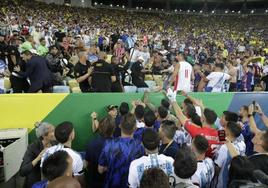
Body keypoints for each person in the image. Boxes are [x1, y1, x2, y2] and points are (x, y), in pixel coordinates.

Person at [167, 89, 221, 158]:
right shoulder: (221, 134)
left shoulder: (197, 131)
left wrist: (173, 100)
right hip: (210, 163)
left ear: (202, 119)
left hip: (197, 162)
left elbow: (180, 115)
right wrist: (201, 106)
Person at [98, 113, 144, 188]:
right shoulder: (140, 147)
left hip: (111, 184)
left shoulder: (109, 144)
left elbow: (100, 170)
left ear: (119, 126)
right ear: (135, 128)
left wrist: (113, 166)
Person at [40, 122, 85, 186]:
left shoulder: (47, 151)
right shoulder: (76, 157)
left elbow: (43, 176)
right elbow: (78, 180)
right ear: (71, 136)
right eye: (73, 131)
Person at [20, 122, 55, 188]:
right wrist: (38, 158)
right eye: (52, 131)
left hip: (50, 181)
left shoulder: (54, 143)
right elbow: (22, 171)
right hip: (36, 183)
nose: (55, 133)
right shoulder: (33, 147)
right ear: (44, 135)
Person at [85, 116, 115, 188]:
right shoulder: (117, 145)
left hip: (93, 181)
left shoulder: (91, 143)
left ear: (99, 128)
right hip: (110, 182)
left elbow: (86, 164)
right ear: (113, 129)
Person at [214, 121, 246, 188]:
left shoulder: (224, 148)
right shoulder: (242, 144)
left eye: (225, 127)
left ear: (227, 131)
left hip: (222, 182)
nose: (223, 128)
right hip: (234, 180)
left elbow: (217, 169)